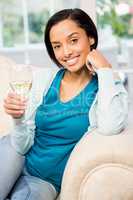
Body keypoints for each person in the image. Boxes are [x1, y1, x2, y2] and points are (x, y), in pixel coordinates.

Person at [1, 8, 128, 200]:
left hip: (44, 180)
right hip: (14, 157)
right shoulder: (43, 79)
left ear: (91, 38)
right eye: (57, 46)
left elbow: (111, 126)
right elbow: (20, 145)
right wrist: (18, 119)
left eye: (73, 40)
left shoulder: (107, 89)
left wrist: (105, 71)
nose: (66, 52)